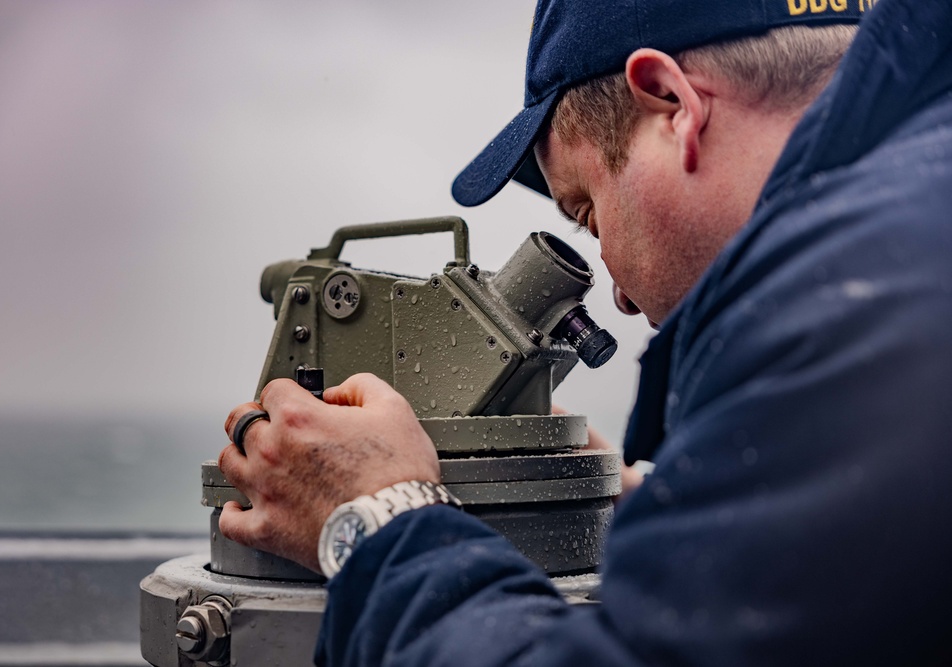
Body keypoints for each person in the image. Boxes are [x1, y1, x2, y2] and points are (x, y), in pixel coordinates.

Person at [218, 0, 952, 663]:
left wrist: (378, 517)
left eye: (588, 212)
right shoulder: (910, 219)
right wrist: (695, 491)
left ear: (672, 104)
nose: (620, 296)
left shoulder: (853, 296)